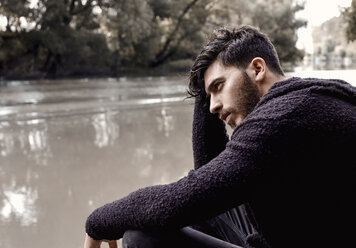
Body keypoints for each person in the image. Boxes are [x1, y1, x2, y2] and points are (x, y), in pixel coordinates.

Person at [84, 25, 356, 248]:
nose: (212, 106)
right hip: (310, 231)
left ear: (257, 69)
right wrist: (206, 85)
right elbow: (211, 180)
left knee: (142, 235)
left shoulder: (279, 119)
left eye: (219, 86)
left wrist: (96, 223)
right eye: (208, 96)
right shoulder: (312, 96)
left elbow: (173, 202)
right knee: (200, 202)